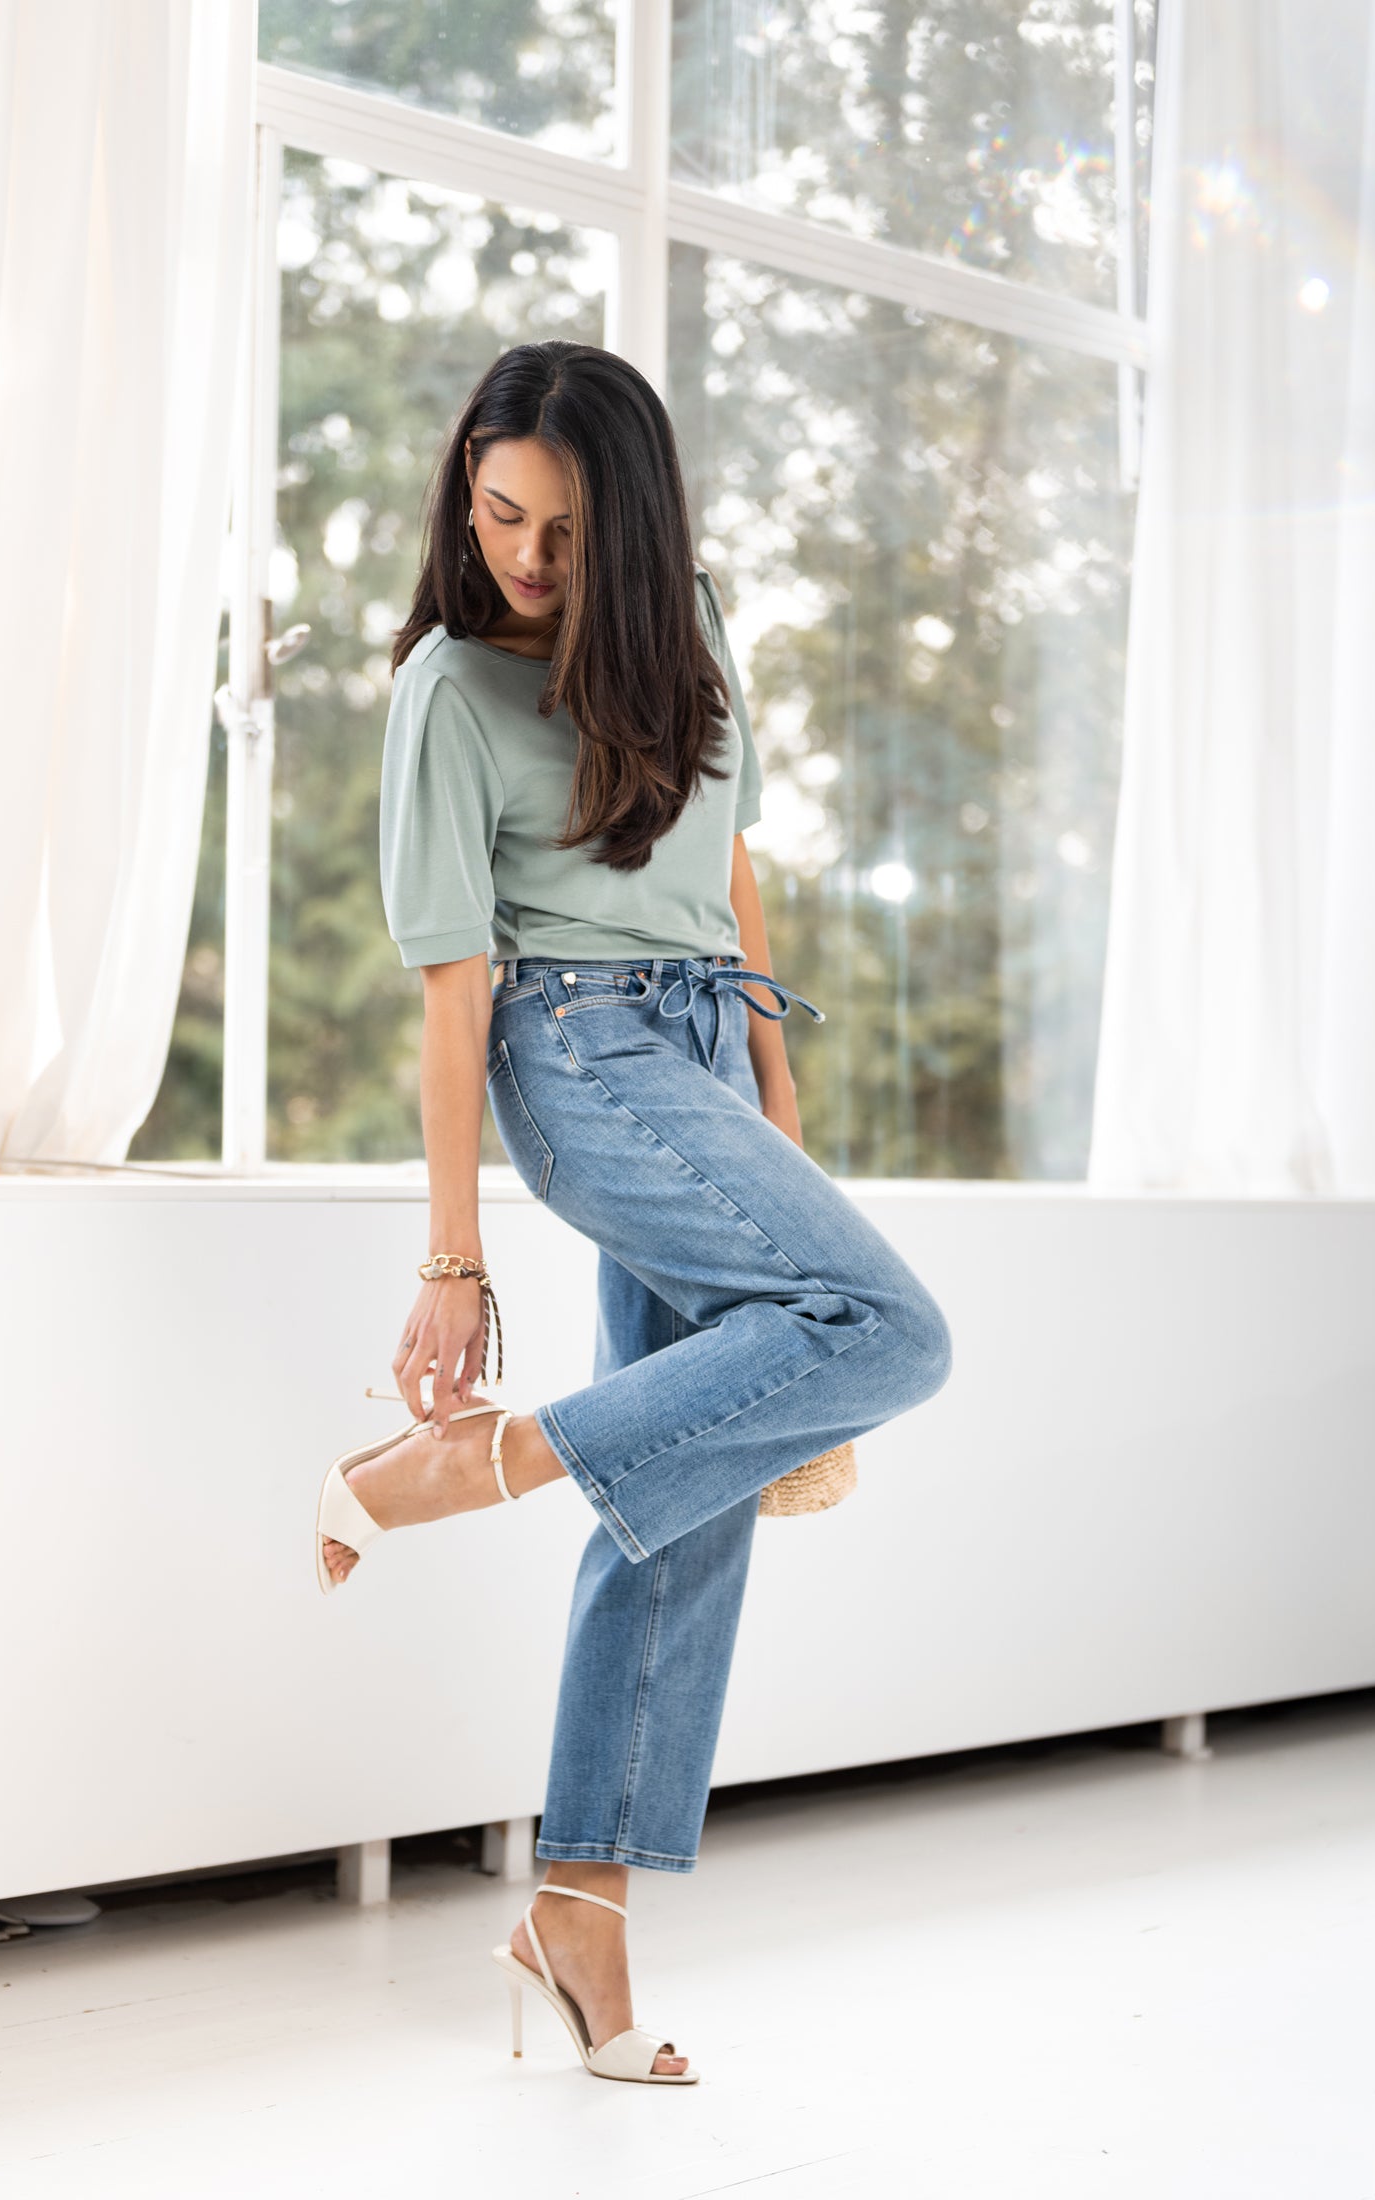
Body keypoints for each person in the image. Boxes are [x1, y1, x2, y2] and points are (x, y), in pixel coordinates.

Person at [314, 340, 953, 2085]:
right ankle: (479, 1461)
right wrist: (452, 1258)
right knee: (892, 1331)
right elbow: (453, 991)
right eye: (498, 513)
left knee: (689, 1488)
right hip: (575, 1049)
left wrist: (774, 1081)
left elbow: (730, 863)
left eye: (567, 530)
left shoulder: (695, 628)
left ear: (640, 528)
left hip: (704, 1042)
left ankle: (577, 1913)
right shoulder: (449, 690)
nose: (524, 556)